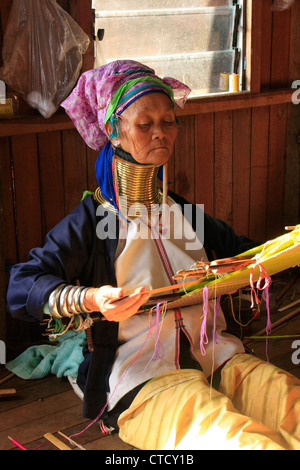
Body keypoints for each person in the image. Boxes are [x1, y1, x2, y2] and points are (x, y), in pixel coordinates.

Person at [6, 60, 300, 450]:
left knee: (292, 405)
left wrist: (265, 262)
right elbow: (21, 285)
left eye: (169, 121)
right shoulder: (92, 221)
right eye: (145, 124)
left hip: (220, 357)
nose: (161, 133)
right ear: (114, 131)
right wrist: (91, 299)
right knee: (245, 443)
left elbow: (246, 253)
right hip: (143, 376)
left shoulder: (181, 212)